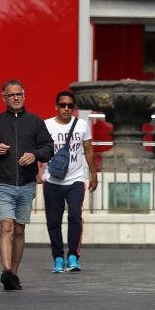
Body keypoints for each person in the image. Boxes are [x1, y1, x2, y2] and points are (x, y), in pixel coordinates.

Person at [0, 79, 54, 291]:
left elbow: (49, 148)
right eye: (11, 95)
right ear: (4, 98)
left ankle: (14, 274)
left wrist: (35, 155)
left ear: (24, 95)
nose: (16, 98)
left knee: (19, 230)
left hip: (27, 184)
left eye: (19, 94)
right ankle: (6, 270)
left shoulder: (35, 122)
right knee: (7, 226)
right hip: (3, 182)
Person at [39, 90, 98, 273]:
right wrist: (38, 169)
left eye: (70, 106)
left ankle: (73, 256)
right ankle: (58, 258)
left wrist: (94, 174)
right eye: (62, 105)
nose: (66, 109)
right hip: (52, 181)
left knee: (75, 216)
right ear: (56, 106)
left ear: (74, 108)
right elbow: (38, 149)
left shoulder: (81, 125)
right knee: (53, 221)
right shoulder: (46, 125)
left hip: (75, 180)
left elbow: (88, 150)